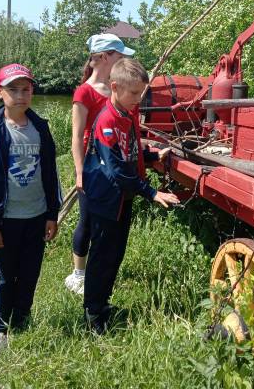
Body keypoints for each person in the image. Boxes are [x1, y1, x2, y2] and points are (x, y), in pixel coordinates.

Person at [0, 63, 63, 354]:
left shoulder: (41, 127)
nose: (20, 95)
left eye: (26, 89)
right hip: (4, 219)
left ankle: (22, 319)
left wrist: (52, 213)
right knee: (5, 274)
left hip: (35, 216)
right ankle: (1, 328)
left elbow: (51, 172)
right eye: (13, 89)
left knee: (30, 272)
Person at [82, 58, 179, 334]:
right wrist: (151, 192)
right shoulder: (108, 121)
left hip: (122, 200)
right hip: (105, 201)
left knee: (115, 255)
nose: (139, 99)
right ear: (115, 87)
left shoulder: (127, 114)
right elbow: (116, 170)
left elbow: (130, 154)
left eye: (142, 94)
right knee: (102, 257)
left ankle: (102, 304)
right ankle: (92, 313)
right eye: (135, 93)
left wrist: (150, 156)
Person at [64, 34, 135, 295]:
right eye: (119, 55)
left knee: (110, 220)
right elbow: (76, 137)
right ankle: (79, 273)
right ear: (105, 57)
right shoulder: (85, 92)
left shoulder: (117, 89)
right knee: (87, 220)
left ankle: (103, 268)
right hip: (93, 168)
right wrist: (80, 172)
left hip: (115, 167)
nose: (124, 59)